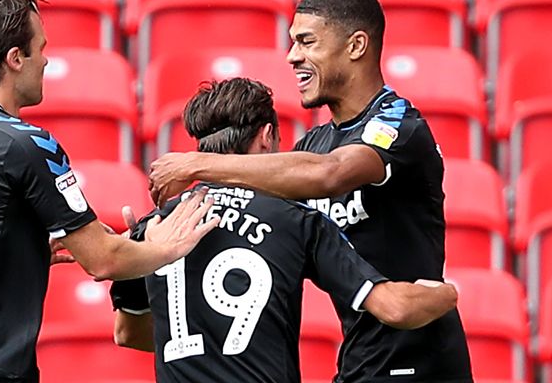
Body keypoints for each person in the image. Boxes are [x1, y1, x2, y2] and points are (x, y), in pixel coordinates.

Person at [0, 0, 218, 383]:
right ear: (15, 59)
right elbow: (103, 259)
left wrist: (13, 256)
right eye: (40, 49)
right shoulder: (23, 142)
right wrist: (165, 248)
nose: (46, 61)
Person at [148, 0, 473, 382]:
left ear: (356, 46)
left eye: (307, 42)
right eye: (292, 43)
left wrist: (197, 164)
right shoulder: (313, 145)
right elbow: (248, 208)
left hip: (418, 361)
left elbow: (330, 175)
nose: (292, 56)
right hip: (359, 359)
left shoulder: (397, 125)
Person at [111, 77, 459, 383]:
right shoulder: (296, 220)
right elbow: (395, 308)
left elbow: (127, 333)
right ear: (266, 137)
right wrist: (447, 294)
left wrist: (132, 267)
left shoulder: (157, 227)